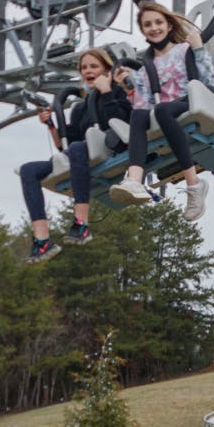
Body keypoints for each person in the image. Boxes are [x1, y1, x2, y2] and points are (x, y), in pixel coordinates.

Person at [20, 47, 131, 264]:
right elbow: (65, 145)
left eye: (94, 66)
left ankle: (82, 223)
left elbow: (121, 121)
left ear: (107, 70)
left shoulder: (117, 93)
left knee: (80, 147)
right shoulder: (80, 108)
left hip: (112, 146)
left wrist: (107, 91)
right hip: (82, 153)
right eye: (84, 68)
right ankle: (42, 239)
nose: (88, 71)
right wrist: (51, 125)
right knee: (28, 170)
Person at [110, 1, 214, 221]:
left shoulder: (184, 49)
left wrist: (198, 48)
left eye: (158, 22)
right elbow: (143, 104)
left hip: (193, 100)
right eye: (147, 24)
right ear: (143, 31)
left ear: (169, 25)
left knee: (162, 110)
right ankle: (135, 180)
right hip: (163, 110)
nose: (154, 27)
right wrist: (128, 88)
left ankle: (194, 184)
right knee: (139, 114)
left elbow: (209, 80)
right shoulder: (145, 67)